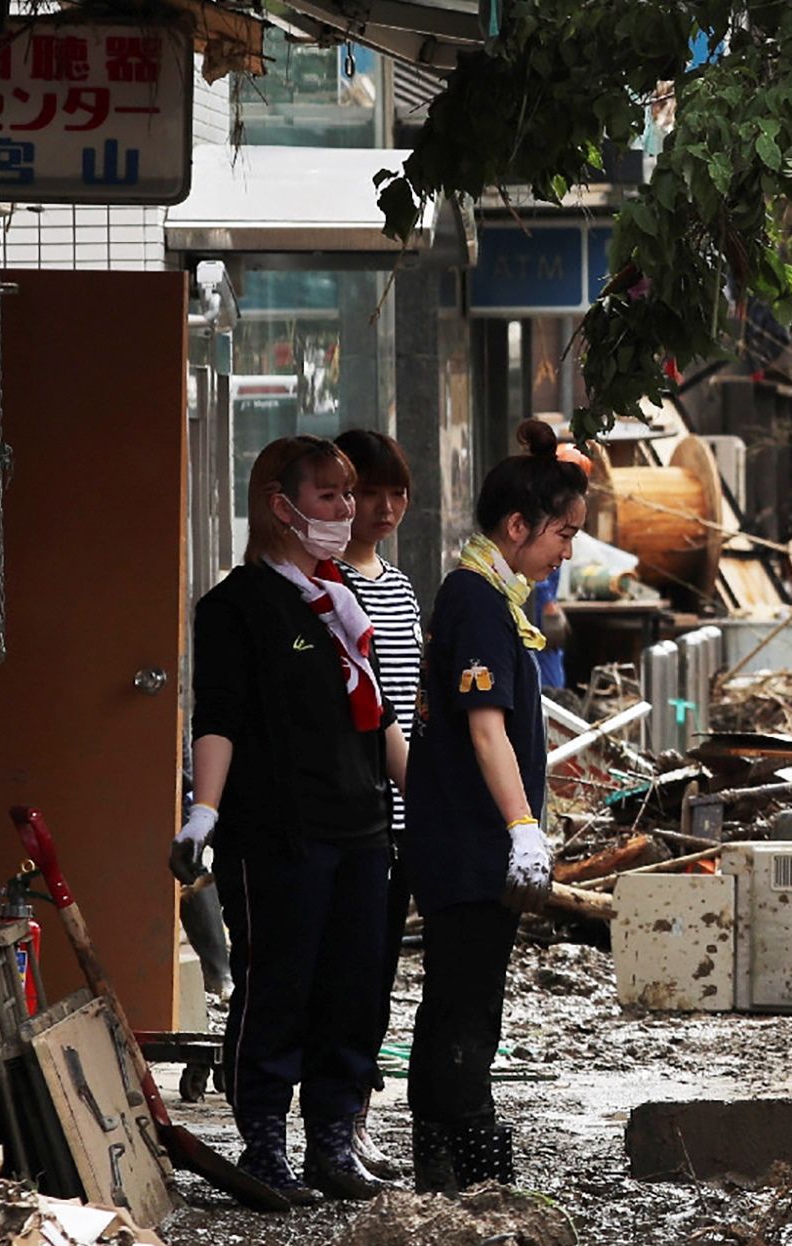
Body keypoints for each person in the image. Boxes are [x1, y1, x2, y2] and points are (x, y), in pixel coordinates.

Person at [174, 436, 409, 1205]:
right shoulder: (236, 607)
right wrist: (203, 812)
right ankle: (264, 1143)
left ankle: (333, 1142)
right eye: (330, 496)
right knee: (278, 985)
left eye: (349, 494)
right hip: (279, 829)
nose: (348, 509)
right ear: (281, 506)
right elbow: (218, 719)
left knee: (353, 989)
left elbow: (380, 719)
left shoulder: (343, 598)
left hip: (360, 825)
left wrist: (432, 802)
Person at [400, 420, 590, 1191]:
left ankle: (441, 1161)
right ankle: (473, 1163)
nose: (566, 552)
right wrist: (522, 830)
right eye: (562, 534)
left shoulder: (488, 595)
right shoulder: (478, 602)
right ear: (518, 526)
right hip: (468, 840)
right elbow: (486, 730)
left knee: (453, 999)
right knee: (468, 1006)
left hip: (464, 837)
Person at [333, 428, 421, 1185]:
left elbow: (410, 698)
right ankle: (327, 1127)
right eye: (369, 492)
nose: (384, 507)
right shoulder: (324, 585)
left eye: (397, 493)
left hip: (399, 815)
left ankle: (354, 1122)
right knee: (342, 976)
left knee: (376, 976)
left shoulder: (397, 585)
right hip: (348, 810)